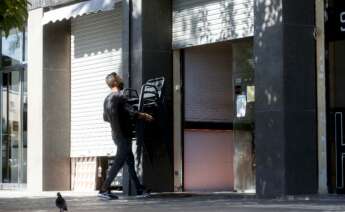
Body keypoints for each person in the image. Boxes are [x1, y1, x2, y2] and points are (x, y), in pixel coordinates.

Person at [98, 72, 153, 200]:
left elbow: (105, 118)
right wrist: (145, 115)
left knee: (129, 160)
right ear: (116, 82)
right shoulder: (120, 96)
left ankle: (139, 189)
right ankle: (103, 189)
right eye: (120, 78)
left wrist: (117, 118)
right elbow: (132, 112)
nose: (122, 80)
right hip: (124, 135)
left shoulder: (107, 99)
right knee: (119, 161)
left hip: (116, 135)